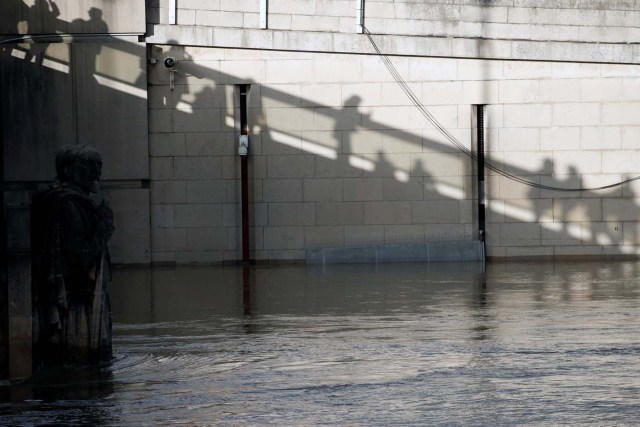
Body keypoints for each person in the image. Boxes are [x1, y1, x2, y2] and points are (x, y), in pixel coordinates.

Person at [31, 144, 115, 368]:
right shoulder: (69, 205)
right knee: (81, 367)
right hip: (76, 305)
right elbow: (81, 258)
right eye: (90, 164)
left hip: (76, 300)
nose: (97, 171)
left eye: (99, 165)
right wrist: (104, 227)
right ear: (68, 170)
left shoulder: (66, 202)